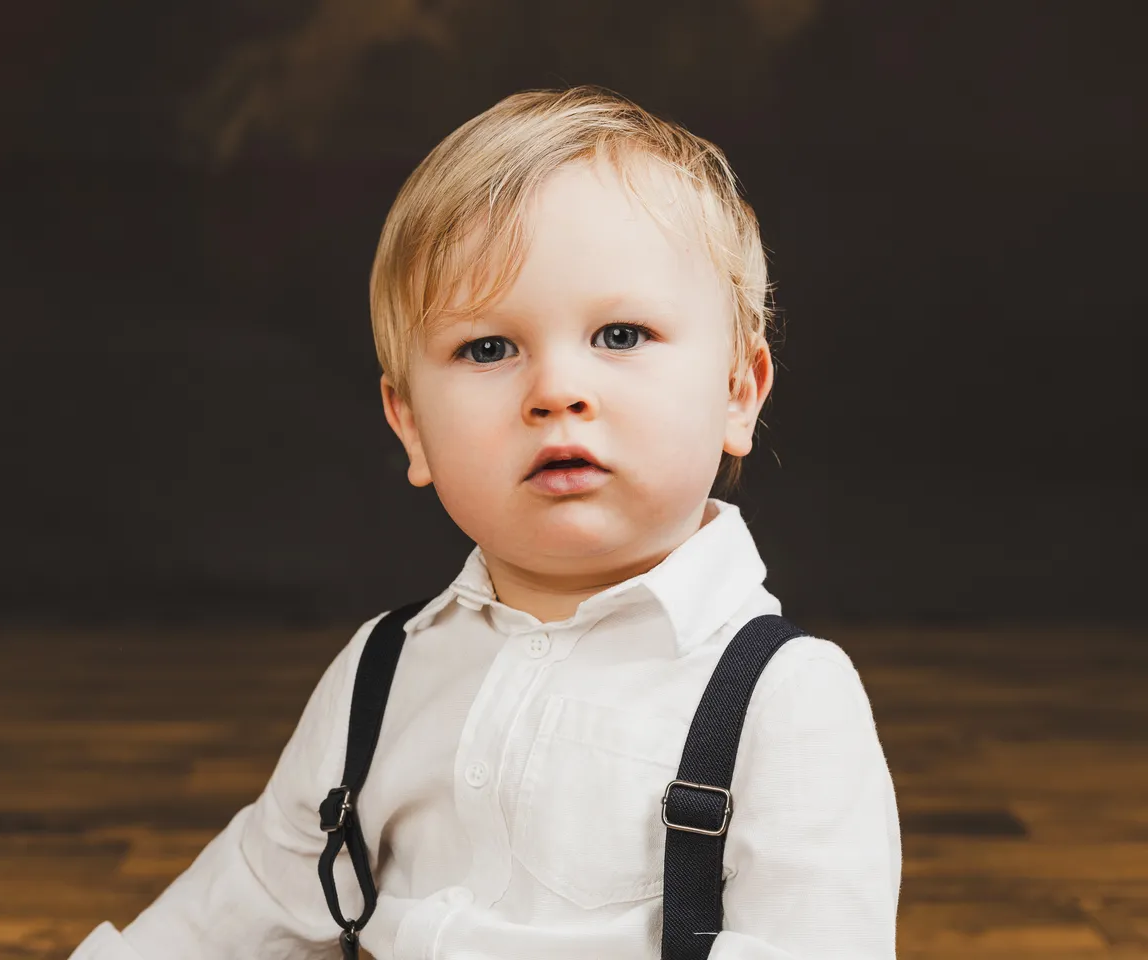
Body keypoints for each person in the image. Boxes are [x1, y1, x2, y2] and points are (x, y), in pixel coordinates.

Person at [69, 85, 902, 960]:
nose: (555, 392)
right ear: (411, 426)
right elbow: (251, 902)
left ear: (738, 392)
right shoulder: (384, 671)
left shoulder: (785, 700)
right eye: (489, 349)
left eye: (620, 335)